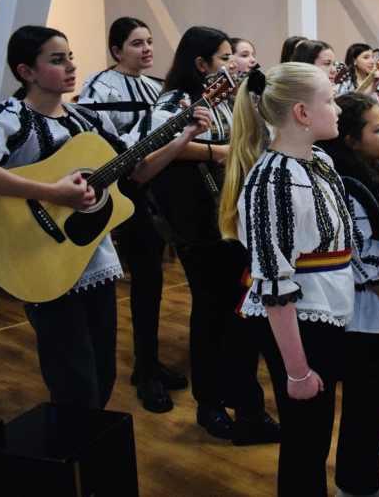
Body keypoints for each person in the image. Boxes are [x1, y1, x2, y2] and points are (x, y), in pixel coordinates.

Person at [0, 25, 211, 409]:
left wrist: (183, 136)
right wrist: (54, 192)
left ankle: (87, 440)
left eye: (69, 56)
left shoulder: (86, 120)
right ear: (26, 72)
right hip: (37, 257)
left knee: (103, 371)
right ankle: (71, 439)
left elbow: (136, 172)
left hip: (89, 257)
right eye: (57, 60)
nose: (71, 66)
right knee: (74, 378)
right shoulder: (10, 117)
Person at [220, 62, 355, 497]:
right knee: (304, 438)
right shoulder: (272, 181)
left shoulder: (319, 161)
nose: (338, 109)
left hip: (324, 311)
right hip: (300, 318)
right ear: (301, 112)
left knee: (316, 434)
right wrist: (296, 372)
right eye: (329, 101)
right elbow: (274, 284)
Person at [145, 26, 280, 444]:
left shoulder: (235, 98)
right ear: (200, 64)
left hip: (237, 218)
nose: (233, 64)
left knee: (241, 316)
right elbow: (151, 151)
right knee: (210, 314)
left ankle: (248, 406)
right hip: (199, 222)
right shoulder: (175, 101)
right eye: (224, 58)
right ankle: (210, 405)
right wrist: (217, 151)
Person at [78, 17, 186, 413]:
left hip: (158, 193)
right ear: (116, 50)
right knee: (145, 281)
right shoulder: (99, 86)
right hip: (126, 195)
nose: (147, 49)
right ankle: (146, 369)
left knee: (153, 281)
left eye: (149, 41)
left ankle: (149, 363)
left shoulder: (159, 87)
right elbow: (96, 143)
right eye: (137, 43)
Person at [318, 93, 379, 497]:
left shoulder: (369, 174)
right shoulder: (347, 185)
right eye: (378, 130)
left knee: (377, 403)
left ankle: (364, 473)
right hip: (363, 313)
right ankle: (354, 485)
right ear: (352, 140)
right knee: (365, 403)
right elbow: (364, 263)